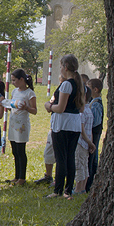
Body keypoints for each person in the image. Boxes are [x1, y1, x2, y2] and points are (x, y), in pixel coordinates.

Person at [44, 54, 85, 198]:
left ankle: (59, 190)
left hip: (63, 124)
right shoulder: (80, 85)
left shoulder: (67, 84)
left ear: (65, 67)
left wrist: (49, 106)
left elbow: (60, 108)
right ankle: (68, 190)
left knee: (61, 158)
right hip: (74, 124)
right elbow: (81, 108)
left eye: (61, 66)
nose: (60, 68)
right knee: (69, 157)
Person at [7, 68, 37, 186]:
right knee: (14, 150)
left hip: (22, 125)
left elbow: (34, 110)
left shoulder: (30, 93)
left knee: (20, 151)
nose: (13, 83)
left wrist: (26, 108)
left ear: (22, 79)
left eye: (14, 80)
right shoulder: (14, 91)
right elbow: (12, 105)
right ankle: (16, 175)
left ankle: (22, 177)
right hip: (13, 123)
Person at [73, 84, 96, 194]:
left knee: (79, 166)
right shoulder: (89, 111)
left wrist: (88, 142)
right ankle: (83, 188)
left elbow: (81, 130)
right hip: (87, 143)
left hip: (80, 142)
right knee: (85, 165)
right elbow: (89, 130)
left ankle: (78, 188)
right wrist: (91, 143)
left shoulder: (81, 112)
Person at [85, 77, 105, 192]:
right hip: (92, 134)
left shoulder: (96, 104)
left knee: (91, 159)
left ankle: (89, 183)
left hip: (94, 134)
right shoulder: (93, 102)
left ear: (95, 89)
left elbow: (95, 121)